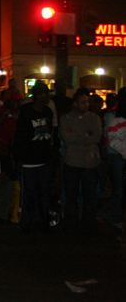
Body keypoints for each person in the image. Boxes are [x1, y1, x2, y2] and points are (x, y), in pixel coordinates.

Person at [13, 81, 54, 233]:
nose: (48, 96)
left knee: (43, 192)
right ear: (38, 96)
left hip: (44, 159)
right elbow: (20, 136)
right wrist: (19, 159)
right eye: (45, 93)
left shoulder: (48, 111)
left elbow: (50, 133)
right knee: (28, 193)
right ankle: (26, 221)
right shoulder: (26, 111)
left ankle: (42, 221)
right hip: (29, 160)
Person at [61, 90, 103, 233]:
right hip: (72, 161)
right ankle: (71, 224)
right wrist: (86, 134)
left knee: (89, 196)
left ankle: (88, 224)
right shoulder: (66, 118)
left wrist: (77, 135)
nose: (86, 105)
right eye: (83, 102)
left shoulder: (95, 118)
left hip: (89, 162)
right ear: (75, 104)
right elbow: (67, 137)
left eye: (87, 102)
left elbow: (96, 136)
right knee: (71, 196)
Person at [105, 88, 126, 228]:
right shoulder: (114, 119)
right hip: (118, 157)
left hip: (120, 154)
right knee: (119, 188)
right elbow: (113, 141)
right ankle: (118, 217)